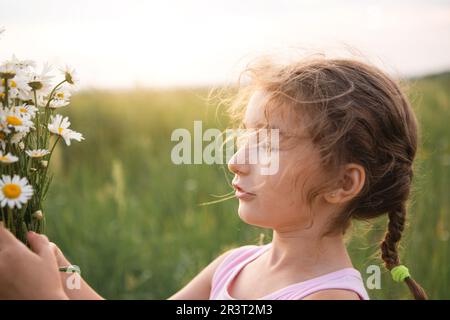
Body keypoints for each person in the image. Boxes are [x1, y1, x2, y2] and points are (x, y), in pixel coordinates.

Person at [0, 57, 427, 300]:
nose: (237, 161)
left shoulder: (327, 298)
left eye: (269, 144)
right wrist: (63, 272)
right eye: (245, 135)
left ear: (343, 184)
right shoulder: (235, 265)